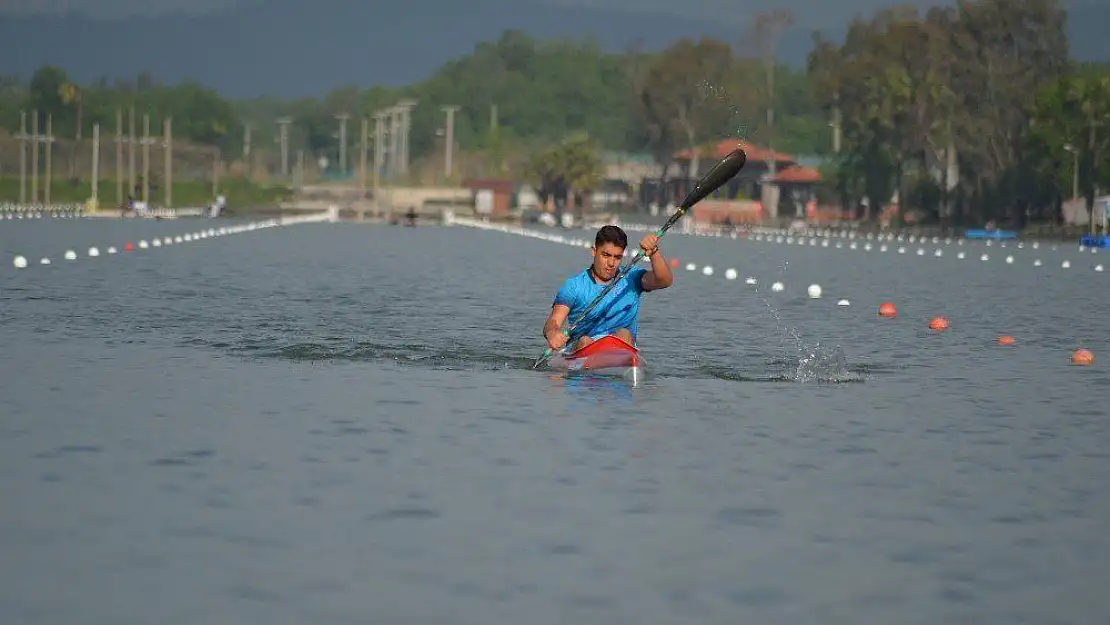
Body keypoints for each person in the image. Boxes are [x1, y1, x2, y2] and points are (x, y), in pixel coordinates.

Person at [543, 224, 674, 353]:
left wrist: (654, 253)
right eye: (606, 255)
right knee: (585, 341)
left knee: (624, 333)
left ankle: (621, 363)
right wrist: (553, 333)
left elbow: (664, 281)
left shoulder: (632, 278)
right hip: (582, 349)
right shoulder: (574, 286)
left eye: (617, 257)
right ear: (594, 251)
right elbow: (554, 321)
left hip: (622, 347)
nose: (611, 263)